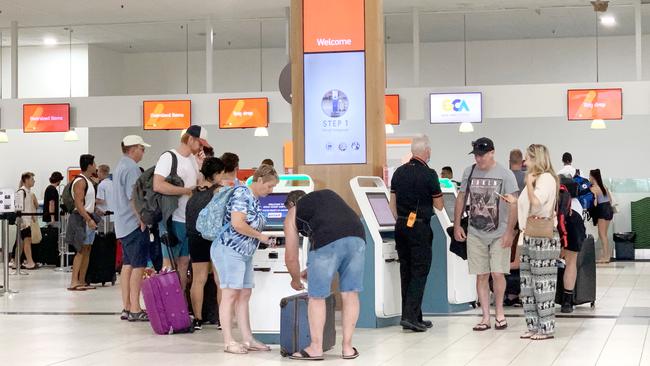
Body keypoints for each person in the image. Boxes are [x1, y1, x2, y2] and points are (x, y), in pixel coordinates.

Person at [284, 189, 366, 360]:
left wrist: (295, 278)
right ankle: (348, 348)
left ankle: (315, 348)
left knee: (317, 296)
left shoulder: (293, 211)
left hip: (327, 239)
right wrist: (311, 269)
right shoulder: (327, 196)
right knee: (350, 293)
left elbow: (291, 256)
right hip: (357, 236)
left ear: (292, 204)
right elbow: (337, 236)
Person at [211, 164, 279, 355]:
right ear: (258, 180)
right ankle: (228, 341)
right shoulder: (242, 194)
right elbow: (237, 223)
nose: (271, 190)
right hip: (229, 249)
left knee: (244, 293)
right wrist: (260, 236)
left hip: (245, 252)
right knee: (230, 294)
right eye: (269, 186)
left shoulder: (255, 198)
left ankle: (247, 338)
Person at [453, 137, 518, 332]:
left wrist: (510, 232)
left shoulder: (505, 175)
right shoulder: (469, 172)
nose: (479, 159)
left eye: (482, 155)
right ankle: (485, 317)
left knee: (498, 273)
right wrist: (457, 225)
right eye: (476, 155)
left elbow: (513, 204)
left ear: (492, 153)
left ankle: (499, 312)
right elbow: (461, 198)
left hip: (499, 232)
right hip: (475, 231)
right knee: (481, 275)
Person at [503, 144, 560, 341]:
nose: (525, 162)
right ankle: (533, 325)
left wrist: (528, 183)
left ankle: (546, 328)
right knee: (527, 286)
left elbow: (537, 203)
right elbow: (527, 204)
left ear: (537, 158)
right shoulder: (536, 179)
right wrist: (513, 200)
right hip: (529, 236)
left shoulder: (545, 179)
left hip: (542, 238)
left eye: (528, 158)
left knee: (543, 285)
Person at [389, 135, 443, 332]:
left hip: (401, 226)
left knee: (406, 271)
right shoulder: (429, 174)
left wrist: (401, 221)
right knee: (420, 271)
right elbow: (439, 204)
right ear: (426, 151)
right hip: (420, 227)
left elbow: (392, 204)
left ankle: (412, 315)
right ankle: (411, 317)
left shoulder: (398, 173)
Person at [153, 125, 209, 290]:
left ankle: (180, 307)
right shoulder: (169, 157)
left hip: (188, 220)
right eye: (200, 143)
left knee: (184, 263)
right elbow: (158, 185)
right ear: (190, 139)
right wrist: (185, 191)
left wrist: (200, 166)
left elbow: (198, 185)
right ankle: (166, 306)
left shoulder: (192, 159)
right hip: (172, 219)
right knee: (168, 263)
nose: (201, 147)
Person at [114, 135, 151, 322]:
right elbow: (134, 197)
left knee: (127, 265)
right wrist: (142, 219)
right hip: (133, 225)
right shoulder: (132, 168)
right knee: (138, 266)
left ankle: (127, 307)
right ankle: (136, 308)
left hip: (122, 225)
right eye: (142, 149)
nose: (143, 152)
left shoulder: (120, 165)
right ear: (134, 148)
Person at [186, 157, 225, 330]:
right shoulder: (220, 191)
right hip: (215, 238)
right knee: (219, 280)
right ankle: (221, 319)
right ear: (216, 174)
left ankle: (198, 319)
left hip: (195, 237)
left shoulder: (193, 192)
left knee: (198, 279)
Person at [65, 154, 98, 291]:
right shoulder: (80, 181)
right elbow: (78, 204)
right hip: (80, 218)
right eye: (94, 163)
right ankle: (74, 281)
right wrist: (88, 219)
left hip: (87, 216)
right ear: (89, 165)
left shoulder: (88, 181)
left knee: (87, 249)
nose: (96, 166)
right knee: (79, 250)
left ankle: (82, 280)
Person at [557, 175, 586, 313]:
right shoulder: (576, 204)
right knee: (571, 262)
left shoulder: (556, 200)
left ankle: (547, 297)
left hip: (553, 223)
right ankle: (567, 301)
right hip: (574, 223)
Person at [13, 172, 39, 270]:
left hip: (27, 221)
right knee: (26, 241)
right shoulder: (21, 192)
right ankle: (30, 262)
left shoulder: (28, 192)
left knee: (21, 243)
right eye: (32, 179)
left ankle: (16, 262)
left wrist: (32, 217)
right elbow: (17, 208)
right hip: (23, 222)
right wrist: (22, 221)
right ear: (26, 180)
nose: (34, 181)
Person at [590, 169, 614, 263]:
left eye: (590, 176)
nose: (589, 178)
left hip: (602, 210)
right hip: (608, 209)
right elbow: (610, 200)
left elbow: (595, 203)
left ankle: (606, 256)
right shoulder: (603, 186)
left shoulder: (594, 188)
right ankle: (606, 255)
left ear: (593, 177)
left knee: (602, 234)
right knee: (604, 234)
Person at [96, 164, 115, 232]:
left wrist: (90, 200)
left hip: (104, 217)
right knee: (111, 238)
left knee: (103, 238)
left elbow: (101, 200)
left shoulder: (101, 185)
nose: (97, 173)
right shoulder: (112, 183)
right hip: (113, 217)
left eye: (98, 171)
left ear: (101, 172)